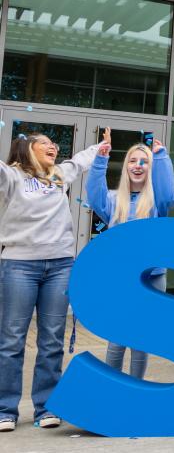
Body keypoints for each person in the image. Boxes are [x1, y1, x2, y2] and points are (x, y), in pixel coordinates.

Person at [0, 133, 100, 432]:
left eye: (53, 143)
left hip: (60, 264)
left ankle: (47, 407)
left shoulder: (58, 176)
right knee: (12, 338)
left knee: (52, 338)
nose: (51, 146)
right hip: (19, 264)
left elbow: (79, 162)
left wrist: (100, 146)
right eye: (43, 142)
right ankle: (5, 409)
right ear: (26, 148)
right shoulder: (12, 176)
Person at [86, 131, 174, 380]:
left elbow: (169, 192)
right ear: (125, 166)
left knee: (142, 338)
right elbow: (94, 197)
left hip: (152, 277)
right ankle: (113, 390)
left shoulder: (158, 201)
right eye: (132, 161)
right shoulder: (114, 201)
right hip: (121, 278)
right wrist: (100, 161)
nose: (138, 166)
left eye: (144, 161)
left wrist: (160, 158)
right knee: (117, 339)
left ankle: (136, 388)